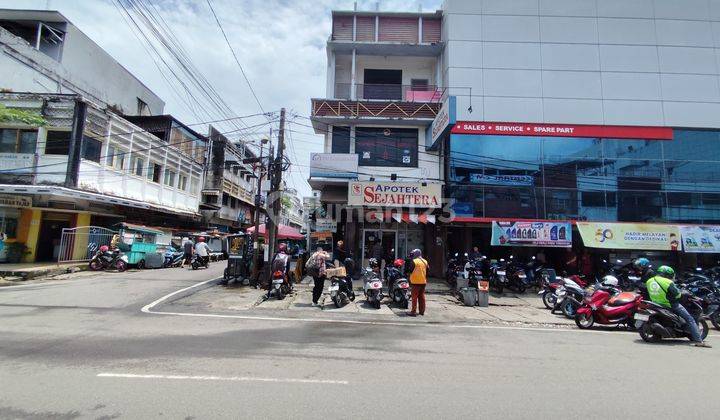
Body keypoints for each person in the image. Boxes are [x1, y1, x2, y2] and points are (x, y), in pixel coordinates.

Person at [646, 265, 711, 348]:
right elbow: (677, 295)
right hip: (670, 304)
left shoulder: (649, 281)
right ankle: (699, 341)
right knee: (690, 319)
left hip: (655, 303)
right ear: (667, 274)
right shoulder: (668, 282)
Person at [407, 249, 428, 317]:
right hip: (423, 282)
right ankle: (422, 311)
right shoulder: (425, 261)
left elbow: (410, 270)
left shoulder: (414, 261)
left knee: (414, 297)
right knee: (422, 297)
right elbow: (428, 270)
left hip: (415, 282)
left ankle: (413, 312)